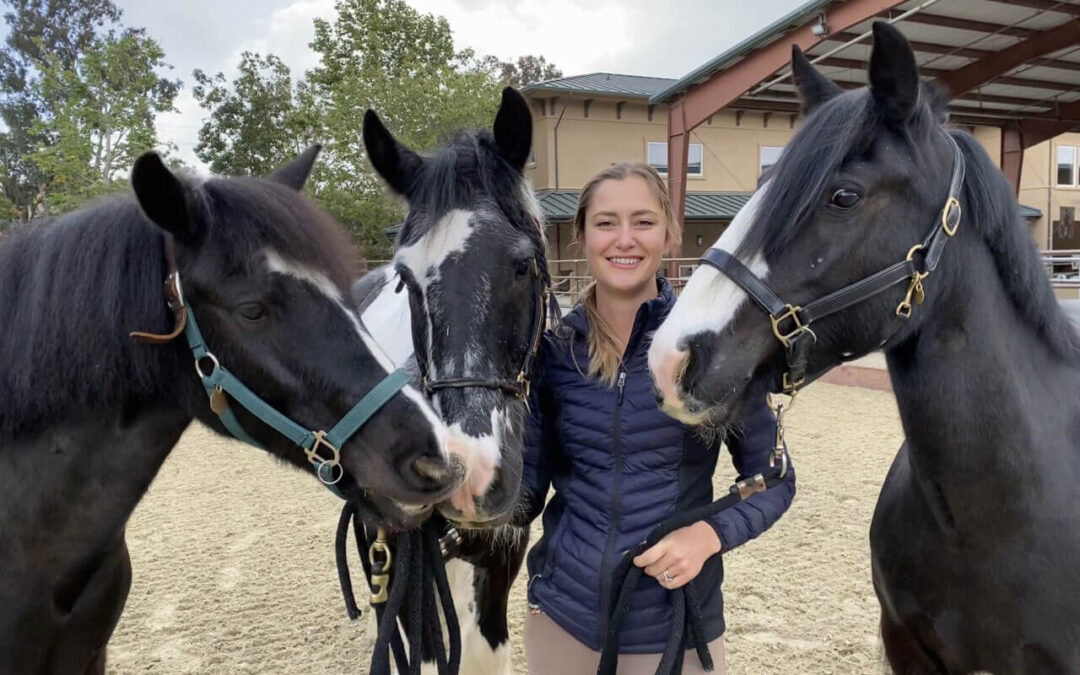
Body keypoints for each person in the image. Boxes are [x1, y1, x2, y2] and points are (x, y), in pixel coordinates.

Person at [520, 162, 796, 673]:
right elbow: (525, 497)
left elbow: (773, 477)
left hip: (674, 628)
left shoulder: (714, 348)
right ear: (581, 234)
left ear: (670, 234)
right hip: (562, 622)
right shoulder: (552, 353)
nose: (624, 239)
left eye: (643, 221)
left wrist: (710, 536)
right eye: (606, 222)